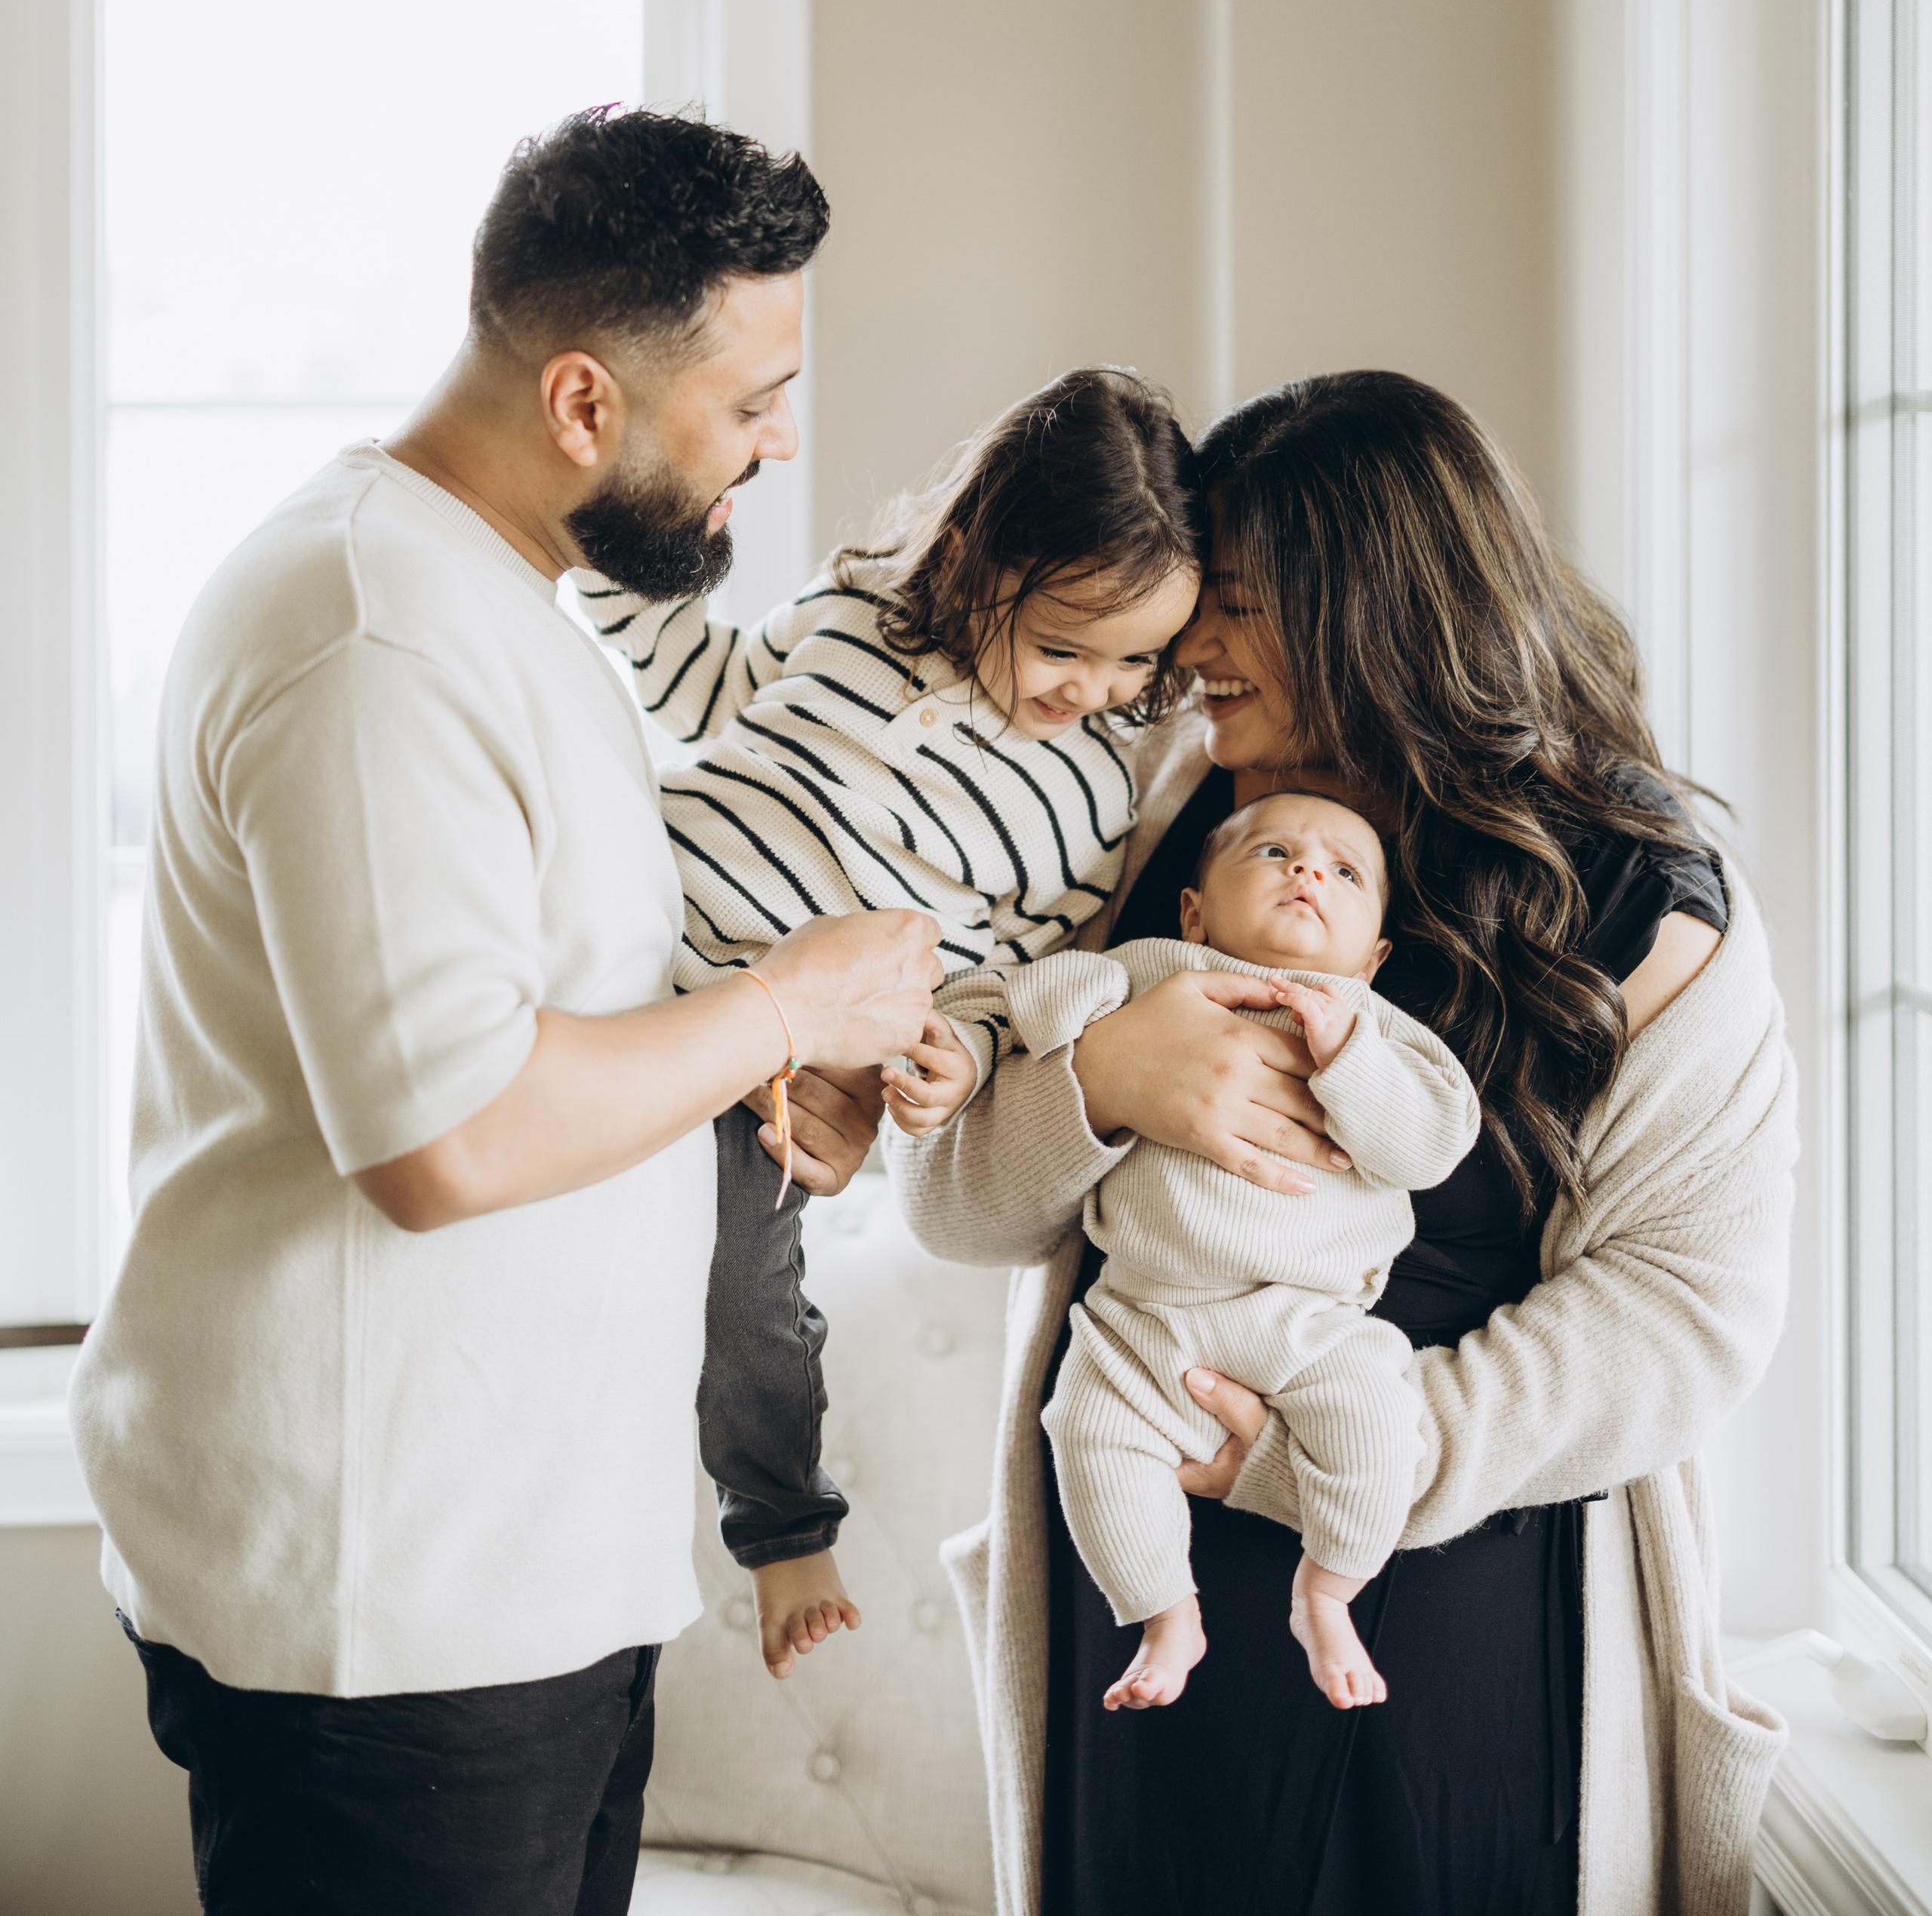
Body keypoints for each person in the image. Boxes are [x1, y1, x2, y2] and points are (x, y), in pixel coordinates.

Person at [69, 106, 942, 1916]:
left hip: (519, 1589)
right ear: (579, 402)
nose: (780, 443)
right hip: (395, 1625)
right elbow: (443, 1131)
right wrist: (786, 994)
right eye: (751, 397)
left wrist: (780, 1059)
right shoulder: (371, 630)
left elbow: (566, 1035)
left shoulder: (500, 604)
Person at [889, 371, 1799, 1916]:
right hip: (1134, 1600)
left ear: (1372, 614)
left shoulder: (1639, 901)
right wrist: (1100, 1078)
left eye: (1233, 606)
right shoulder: (1166, 825)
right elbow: (952, 1208)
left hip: (1443, 1614)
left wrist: (1321, 1464)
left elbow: (1684, 1312)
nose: (1188, 651)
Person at [577, 368, 1203, 1678]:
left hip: (770, 1081)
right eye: (1065, 645)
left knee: (749, 1300)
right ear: (976, 567)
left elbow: (1004, 980)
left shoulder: (1090, 801)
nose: (1095, 688)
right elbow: (714, 686)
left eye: (1139, 661)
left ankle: (783, 1527)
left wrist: (957, 1054)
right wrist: (602, 570)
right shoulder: (859, 610)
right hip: (613, 961)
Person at [908, 788, 1477, 1714]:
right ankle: (1165, 1617)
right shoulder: (1148, 970)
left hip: (1309, 1318)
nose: (1306, 873)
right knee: (1086, 1432)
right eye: (1273, 853)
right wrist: (995, 1055)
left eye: (1343, 872)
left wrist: (1350, 1063)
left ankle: (1327, 1593)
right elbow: (1018, 1002)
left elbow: (1431, 1145)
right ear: (1194, 909)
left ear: (1373, 955)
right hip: (1142, 1313)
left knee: (1378, 1428)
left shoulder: (1376, 1029)